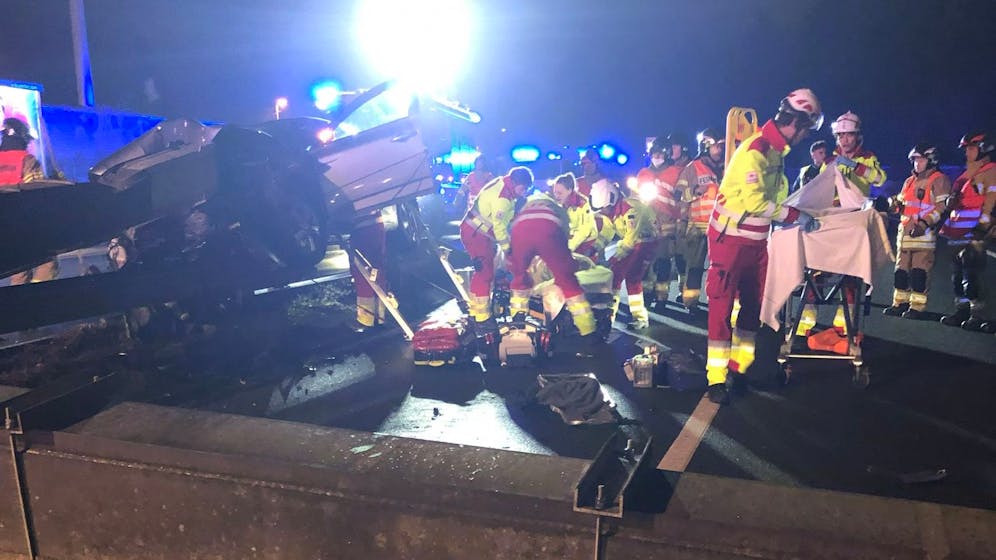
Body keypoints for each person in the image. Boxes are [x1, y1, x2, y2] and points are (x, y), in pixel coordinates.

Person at [705, 89, 823, 405]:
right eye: (806, 129)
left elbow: (770, 200)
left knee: (751, 309)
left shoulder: (774, 151)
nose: (804, 136)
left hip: (756, 243)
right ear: (797, 123)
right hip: (729, 242)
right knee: (721, 307)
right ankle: (716, 379)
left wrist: (788, 214)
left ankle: (739, 369)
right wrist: (795, 215)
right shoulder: (756, 150)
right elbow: (757, 202)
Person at [813, 111, 888, 335]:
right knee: (817, 269)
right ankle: (806, 321)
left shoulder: (867, 157)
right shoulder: (829, 160)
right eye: (841, 136)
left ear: (857, 136)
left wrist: (855, 167)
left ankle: (844, 324)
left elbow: (879, 179)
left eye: (849, 135)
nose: (844, 140)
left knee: (851, 273)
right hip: (831, 218)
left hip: (855, 219)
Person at [507, 190, 597, 337]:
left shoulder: (523, 211)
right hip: (548, 230)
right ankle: (588, 331)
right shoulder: (557, 210)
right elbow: (564, 235)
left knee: (519, 281)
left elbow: (513, 234)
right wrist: (567, 262)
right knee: (568, 282)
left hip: (520, 232)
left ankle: (518, 322)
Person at [459, 166, 533, 332]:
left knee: (484, 272)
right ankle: (482, 319)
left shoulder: (503, 184)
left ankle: (476, 314)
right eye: (523, 188)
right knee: (485, 274)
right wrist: (508, 249)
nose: (524, 192)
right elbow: (500, 227)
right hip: (476, 234)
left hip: (477, 232)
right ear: (515, 183)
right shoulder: (504, 199)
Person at [882, 144, 951, 319]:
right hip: (904, 236)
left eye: (920, 159)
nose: (916, 164)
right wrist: (893, 205)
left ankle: (917, 308)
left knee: (919, 274)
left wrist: (924, 224)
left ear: (931, 160)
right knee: (901, 273)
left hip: (923, 237)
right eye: (914, 160)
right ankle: (899, 303)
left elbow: (941, 207)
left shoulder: (939, 179)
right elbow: (903, 203)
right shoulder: (909, 181)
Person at [938, 131, 996, 333]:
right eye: (966, 149)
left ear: (983, 149)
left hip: (978, 231)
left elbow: (991, 202)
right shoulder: (966, 174)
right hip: (958, 231)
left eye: (971, 148)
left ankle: (983, 316)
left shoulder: (991, 171)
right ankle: (962, 311)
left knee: (977, 273)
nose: (967, 153)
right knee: (957, 274)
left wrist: (983, 226)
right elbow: (955, 201)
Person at [590, 179, 659, 329]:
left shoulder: (631, 209)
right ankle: (640, 318)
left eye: (606, 208)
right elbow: (607, 233)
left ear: (613, 200)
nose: (604, 211)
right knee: (632, 279)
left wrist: (614, 259)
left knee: (616, 275)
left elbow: (630, 240)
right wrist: (595, 247)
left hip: (645, 243)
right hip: (635, 243)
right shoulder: (611, 209)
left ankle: (609, 316)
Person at [675, 128, 725, 312]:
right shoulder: (693, 168)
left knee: (719, 269)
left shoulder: (727, 168)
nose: (719, 150)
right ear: (705, 146)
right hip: (697, 226)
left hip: (720, 226)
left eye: (721, 146)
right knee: (694, 267)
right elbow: (679, 195)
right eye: (715, 146)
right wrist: (694, 192)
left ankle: (717, 302)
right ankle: (691, 303)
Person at [1, 118, 56, 285]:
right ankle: (39, 300)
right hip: (25, 222)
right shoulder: (28, 160)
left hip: (5, 224)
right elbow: (37, 193)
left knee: (18, 268)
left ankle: (18, 304)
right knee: (47, 262)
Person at [636, 137, 683, 310]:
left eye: (660, 153)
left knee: (663, 262)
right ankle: (647, 295)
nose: (657, 157)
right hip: (647, 224)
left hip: (667, 224)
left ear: (666, 155)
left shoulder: (675, 172)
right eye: (654, 153)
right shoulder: (643, 174)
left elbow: (680, 199)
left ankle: (662, 297)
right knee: (645, 263)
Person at [349, 209, 390, 331]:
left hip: (363, 227)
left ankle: (366, 320)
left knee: (363, 274)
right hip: (374, 224)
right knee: (377, 270)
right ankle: (380, 318)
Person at [550, 172, 598, 258]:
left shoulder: (583, 204)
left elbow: (585, 230)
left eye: (559, 193)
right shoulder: (560, 205)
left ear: (569, 190)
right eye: (555, 193)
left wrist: (569, 247)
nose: (556, 196)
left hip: (587, 245)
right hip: (572, 242)